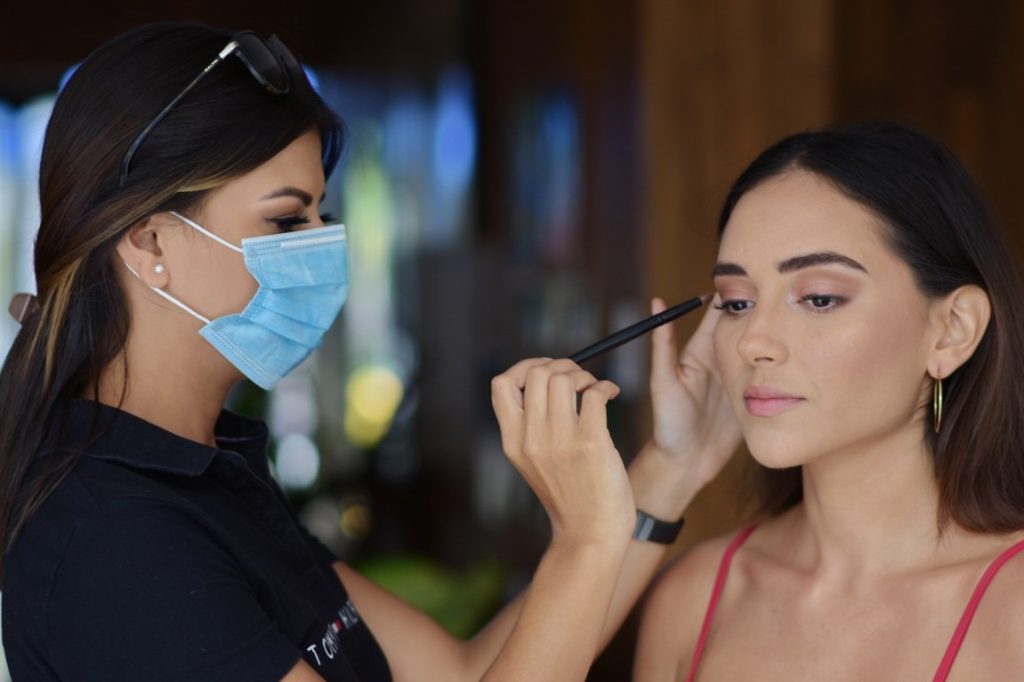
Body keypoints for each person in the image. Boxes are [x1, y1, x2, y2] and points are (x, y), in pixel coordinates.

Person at [0, 22, 737, 681]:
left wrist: (670, 469)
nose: (322, 250)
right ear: (151, 243)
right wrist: (584, 541)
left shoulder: (205, 469)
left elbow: (464, 671)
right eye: (289, 222)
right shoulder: (111, 542)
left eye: (324, 216)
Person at [634, 122, 1024, 681]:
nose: (753, 342)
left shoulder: (1014, 611)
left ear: (952, 331)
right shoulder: (693, 601)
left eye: (819, 298)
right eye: (737, 302)